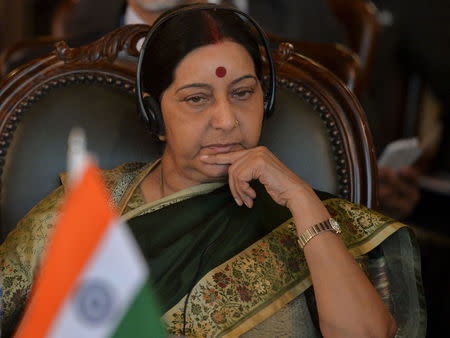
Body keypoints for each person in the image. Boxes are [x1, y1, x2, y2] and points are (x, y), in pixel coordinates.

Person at [0, 4, 425, 337]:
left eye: (242, 93)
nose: (226, 120)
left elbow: (367, 334)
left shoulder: (307, 218)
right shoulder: (83, 209)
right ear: (154, 114)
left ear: (267, 99)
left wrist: (302, 202)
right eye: (196, 99)